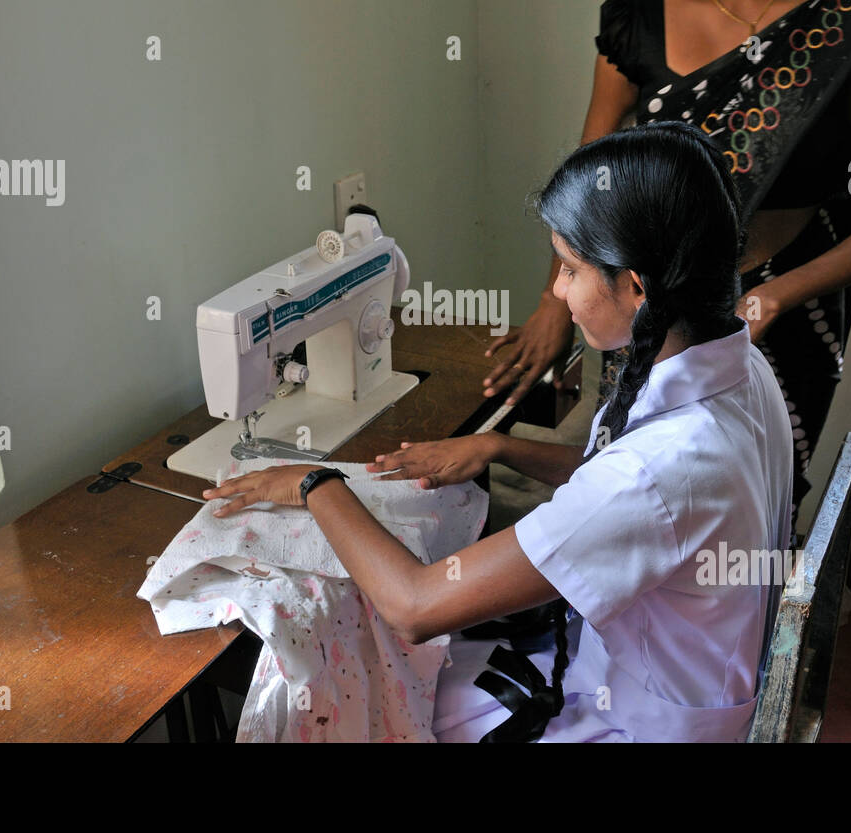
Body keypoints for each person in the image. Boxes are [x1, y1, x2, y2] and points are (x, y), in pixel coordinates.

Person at [203, 122, 794, 742]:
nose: (559, 292)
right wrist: (498, 446)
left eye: (569, 269)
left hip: (633, 721)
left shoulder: (656, 474)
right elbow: (643, 494)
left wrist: (314, 483)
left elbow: (416, 608)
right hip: (676, 677)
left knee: (375, 698)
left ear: (638, 286)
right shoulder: (739, 363)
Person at [482, 0, 851, 537]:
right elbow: (590, 193)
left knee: (747, 503)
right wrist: (553, 307)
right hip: (654, 309)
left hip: (785, 320)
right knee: (634, 488)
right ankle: (621, 637)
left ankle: (742, 634)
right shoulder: (636, 25)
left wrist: (776, 296)